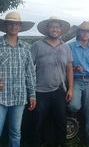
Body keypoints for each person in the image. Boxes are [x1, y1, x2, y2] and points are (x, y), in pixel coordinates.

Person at [31, 16, 73, 147]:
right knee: (38, 122)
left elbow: (69, 69)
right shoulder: (37, 46)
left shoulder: (65, 47)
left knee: (60, 121)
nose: (54, 29)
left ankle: (61, 144)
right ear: (47, 29)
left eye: (57, 26)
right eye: (52, 26)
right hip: (40, 91)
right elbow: (29, 68)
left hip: (59, 91)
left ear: (60, 30)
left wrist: (70, 88)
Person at [0, 11, 36, 147]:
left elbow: (30, 73)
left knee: (15, 133)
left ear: (20, 27)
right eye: (10, 23)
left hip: (19, 96)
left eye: (16, 24)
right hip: (1, 97)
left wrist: (32, 95)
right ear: (5, 25)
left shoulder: (26, 48)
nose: (13, 26)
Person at [68, 21, 89, 147]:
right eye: (82, 31)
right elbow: (66, 65)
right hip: (76, 81)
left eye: (87, 31)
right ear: (79, 32)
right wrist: (74, 68)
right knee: (74, 106)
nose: (85, 33)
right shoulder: (71, 47)